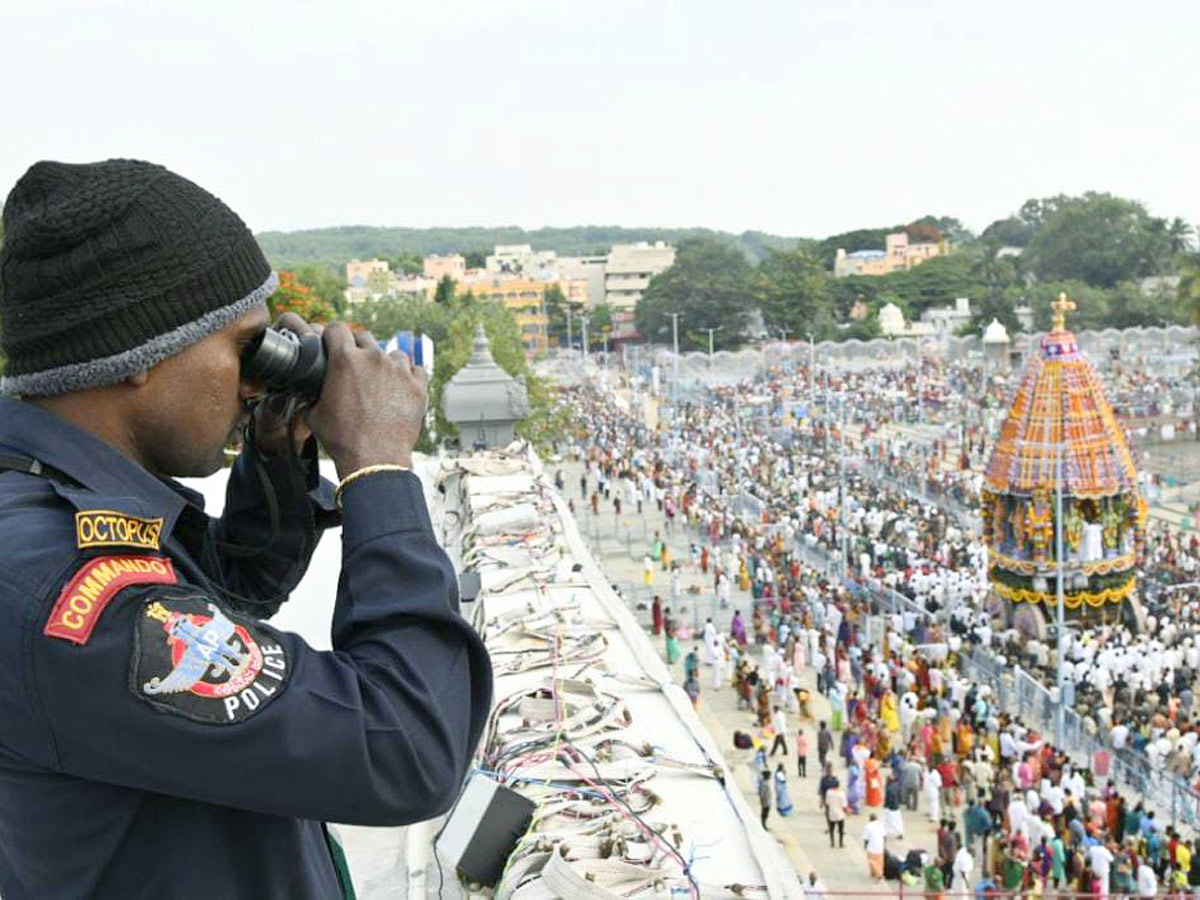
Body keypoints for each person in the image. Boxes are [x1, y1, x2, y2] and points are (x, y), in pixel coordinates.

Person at [0, 159, 494, 895]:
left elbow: (223, 604)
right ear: (142, 354)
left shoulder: (49, 503)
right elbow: (407, 750)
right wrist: (380, 468)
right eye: (244, 349)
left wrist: (275, 456)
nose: (258, 377)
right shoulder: (62, 592)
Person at [863, 813, 887, 879]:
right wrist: (884, 844)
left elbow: (866, 839)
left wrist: (865, 846)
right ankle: (878, 873)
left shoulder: (868, 826)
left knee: (871, 861)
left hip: (871, 847)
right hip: (880, 847)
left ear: (870, 819)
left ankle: (877, 874)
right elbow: (884, 836)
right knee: (880, 862)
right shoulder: (880, 825)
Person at [825, 778, 848, 848]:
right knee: (841, 830)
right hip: (840, 814)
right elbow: (844, 806)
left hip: (832, 813)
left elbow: (827, 804)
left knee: (831, 829)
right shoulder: (841, 794)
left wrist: (827, 812)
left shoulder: (828, 792)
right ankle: (841, 843)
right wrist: (846, 812)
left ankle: (832, 843)